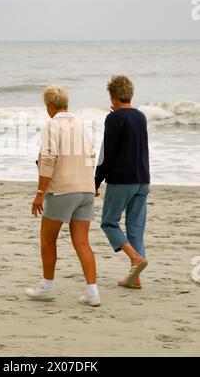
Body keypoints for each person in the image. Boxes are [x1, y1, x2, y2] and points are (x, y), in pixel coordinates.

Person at [25, 86, 100, 306]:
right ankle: (92, 291)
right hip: (86, 189)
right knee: (82, 242)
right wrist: (90, 183)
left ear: (49, 105)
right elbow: (91, 155)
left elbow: (48, 159)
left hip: (62, 190)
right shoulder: (80, 125)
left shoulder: (52, 125)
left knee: (48, 239)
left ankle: (47, 287)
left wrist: (40, 193)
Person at [95, 75, 150, 289]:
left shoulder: (114, 119)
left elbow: (107, 155)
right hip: (143, 179)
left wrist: (96, 181)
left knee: (109, 222)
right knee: (135, 228)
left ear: (114, 96)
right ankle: (135, 278)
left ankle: (135, 259)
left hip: (122, 180)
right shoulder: (141, 116)